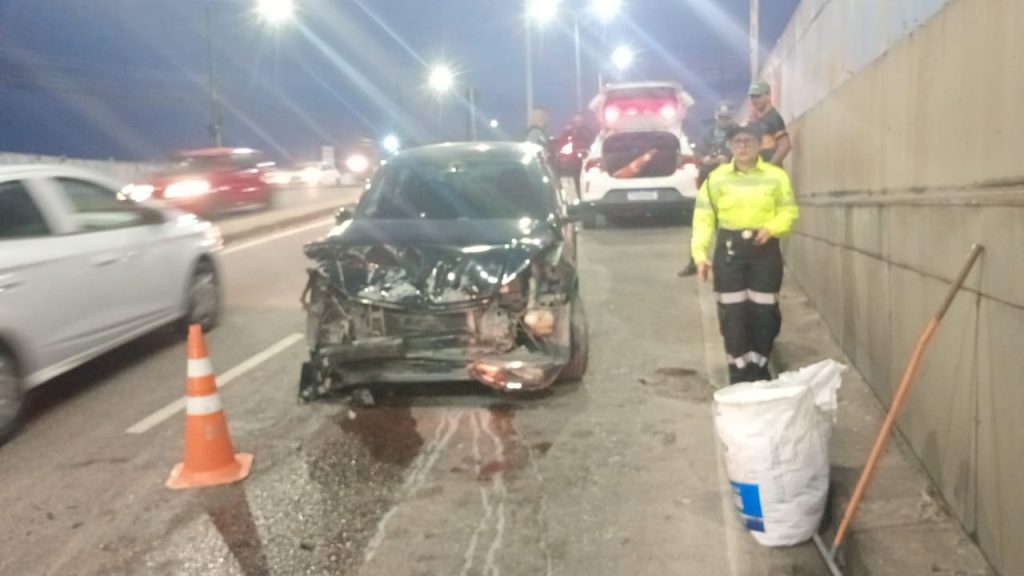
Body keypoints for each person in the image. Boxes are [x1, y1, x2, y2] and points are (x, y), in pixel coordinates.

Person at [691, 124, 799, 384]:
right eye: (737, 141)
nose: (742, 146)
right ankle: (738, 370)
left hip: (765, 250)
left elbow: (789, 211)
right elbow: (703, 218)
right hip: (730, 252)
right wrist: (699, 254)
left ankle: (760, 367)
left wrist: (773, 228)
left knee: (764, 312)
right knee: (733, 313)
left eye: (748, 141)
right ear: (729, 147)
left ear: (759, 144)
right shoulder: (716, 178)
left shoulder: (776, 176)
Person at [680, 102, 738, 277]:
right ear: (716, 117)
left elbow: (744, 153)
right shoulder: (707, 133)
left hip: (730, 183)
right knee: (702, 224)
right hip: (708, 180)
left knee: (730, 225)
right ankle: (694, 262)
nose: (723, 120)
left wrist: (727, 158)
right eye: (721, 117)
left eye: (727, 117)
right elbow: (698, 153)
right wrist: (705, 159)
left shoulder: (739, 133)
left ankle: (731, 265)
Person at [748, 81, 791, 166]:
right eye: (752, 97)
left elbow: (785, 145)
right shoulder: (760, 119)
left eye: (758, 96)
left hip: (768, 173)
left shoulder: (774, 118)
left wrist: (770, 166)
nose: (754, 100)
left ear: (768, 96)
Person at [556, 112, 596, 195]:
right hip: (573, 159)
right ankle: (576, 193)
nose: (578, 122)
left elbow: (593, 142)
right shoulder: (569, 131)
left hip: (586, 158)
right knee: (573, 177)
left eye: (580, 119)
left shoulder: (588, 131)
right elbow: (561, 142)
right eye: (576, 120)